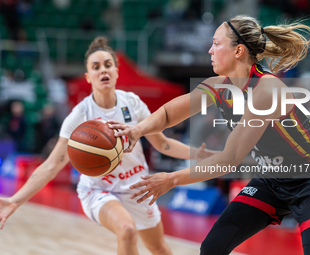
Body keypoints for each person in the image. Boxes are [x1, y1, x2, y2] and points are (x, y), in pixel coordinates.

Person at [108, 15, 310, 255]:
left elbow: (230, 158)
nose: (209, 50)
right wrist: (138, 130)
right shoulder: (218, 86)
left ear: (238, 50)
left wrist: (172, 179)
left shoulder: (267, 90)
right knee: (211, 248)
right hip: (271, 178)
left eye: (216, 43)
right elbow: (168, 114)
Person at [0, 37, 214, 255]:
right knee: (127, 230)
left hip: (138, 188)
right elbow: (51, 165)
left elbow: (163, 144)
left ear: (116, 71)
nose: (103, 70)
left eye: (107, 65)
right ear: (88, 77)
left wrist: (196, 152)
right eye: (96, 67)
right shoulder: (80, 116)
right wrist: (14, 201)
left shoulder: (132, 102)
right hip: (98, 189)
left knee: (158, 248)